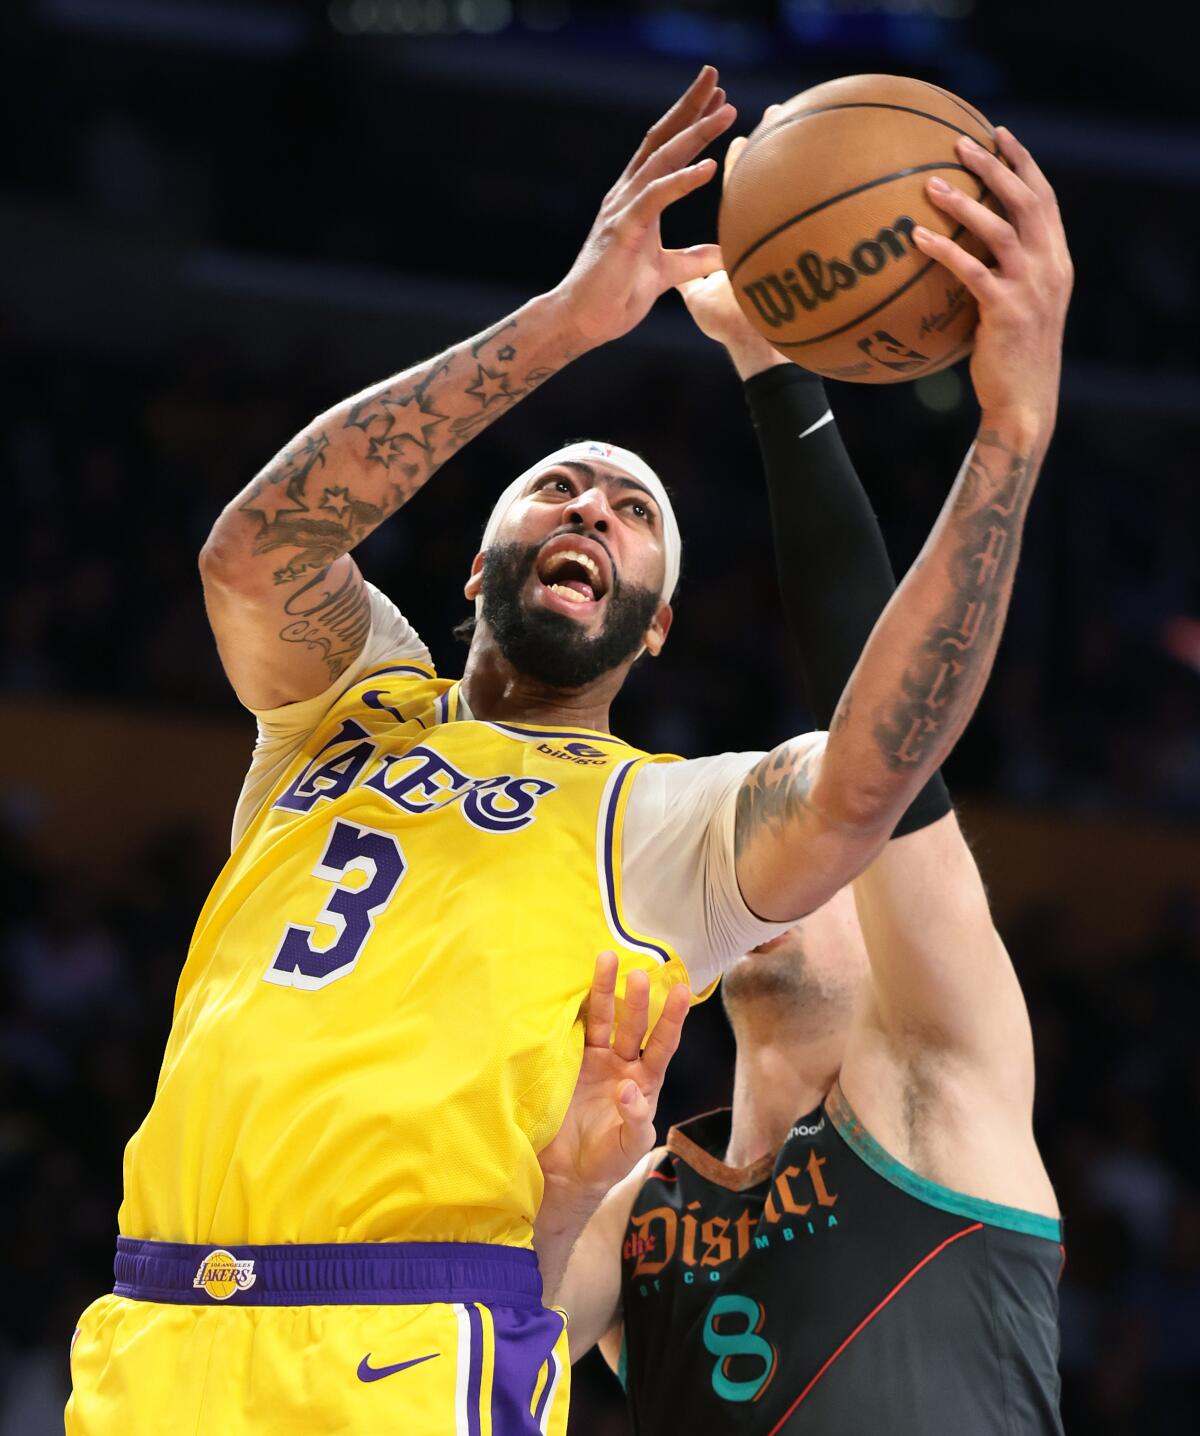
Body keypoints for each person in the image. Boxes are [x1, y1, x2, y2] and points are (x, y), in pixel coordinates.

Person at [66, 67, 1070, 1436]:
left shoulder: (670, 824)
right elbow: (256, 552)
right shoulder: (343, 707)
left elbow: (873, 772)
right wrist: (570, 321)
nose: (593, 503)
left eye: (635, 509)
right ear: (474, 570)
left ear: (654, 630)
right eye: (559, 486)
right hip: (150, 1332)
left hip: (402, 1350)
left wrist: (1008, 438)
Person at [532, 127, 1072, 1433]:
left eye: (817, 844)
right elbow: (480, 1362)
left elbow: (879, 735)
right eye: (753, 845)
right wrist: (557, 1196)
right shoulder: (640, 1197)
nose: (781, 864)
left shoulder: (944, 1084)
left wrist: (779, 370)